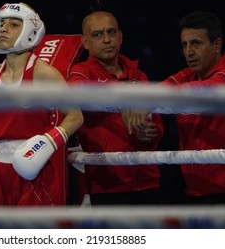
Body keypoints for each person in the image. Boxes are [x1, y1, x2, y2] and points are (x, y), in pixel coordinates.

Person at [123, 11, 225, 204]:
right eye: (184, 45)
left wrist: (150, 101)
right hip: (196, 192)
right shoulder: (187, 75)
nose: (189, 52)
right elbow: (159, 90)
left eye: (196, 43)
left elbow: (199, 91)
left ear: (216, 45)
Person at [0, 2, 83, 206]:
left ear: (30, 31)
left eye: (14, 24)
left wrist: (45, 143)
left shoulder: (43, 73)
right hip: (2, 170)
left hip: (38, 168)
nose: (3, 28)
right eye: (2, 23)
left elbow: (75, 116)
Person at [67, 11, 164, 205]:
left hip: (148, 180)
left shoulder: (139, 76)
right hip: (106, 185)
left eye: (111, 32)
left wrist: (151, 134)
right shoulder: (81, 73)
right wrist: (122, 100)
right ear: (85, 42)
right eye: (97, 34)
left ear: (120, 37)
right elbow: (78, 90)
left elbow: (157, 124)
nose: (106, 40)